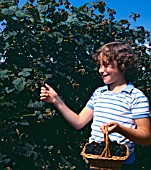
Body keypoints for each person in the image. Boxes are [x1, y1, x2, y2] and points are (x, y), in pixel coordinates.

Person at [40, 42, 151, 170]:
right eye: (99, 65)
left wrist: (120, 129)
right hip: (95, 164)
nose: (101, 70)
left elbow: (146, 138)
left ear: (123, 65)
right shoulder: (99, 93)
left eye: (106, 65)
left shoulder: (136, 97)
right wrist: (56, 100)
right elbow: (78, 122)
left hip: (122, 166)